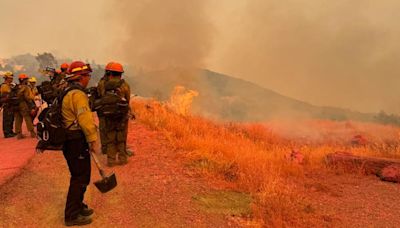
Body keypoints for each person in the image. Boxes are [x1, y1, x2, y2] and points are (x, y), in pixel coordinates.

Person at [61, 61, 97, 226]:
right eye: (87, 75)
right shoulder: (78, 94)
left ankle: (79, 205)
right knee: (80, 177)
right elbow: (85, 119)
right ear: (80, 77)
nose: (89, 78)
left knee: (80, 175)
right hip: (76, 139)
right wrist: (92, 139)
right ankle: (71, 215)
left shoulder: (67, 91)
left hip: (69, 140)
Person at [97, 62, 131, 166]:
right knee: (121, 137)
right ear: (120, 74)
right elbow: (127, 100)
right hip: (122, 116)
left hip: (108, 115)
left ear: (108, 73)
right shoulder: (125, 85)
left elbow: (101, 96)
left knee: (110, 137)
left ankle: (111, 160)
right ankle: (122, 158)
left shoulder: (103, 84)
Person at [14, 74, 36, 139]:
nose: (27, 80)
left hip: (16, 105)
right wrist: (32, 105)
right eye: (26, 79)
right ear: (24, 80)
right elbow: (27, 97)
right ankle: (32, 133)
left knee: (18, 119)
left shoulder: (17, 86)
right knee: (27, 118)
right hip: (23, 104)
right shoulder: (26, 87)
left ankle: (19, 134)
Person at [0, 72, 16, 138]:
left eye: (12, 78)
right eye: (10, 78)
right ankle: (7, 133)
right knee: (7, 119)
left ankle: (10, 131)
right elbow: (8, 95)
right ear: (6, 78)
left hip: (10, 104)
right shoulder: (4, 86)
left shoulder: (9, 85)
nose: (11, 79)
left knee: (11, 118)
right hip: (7, 104)